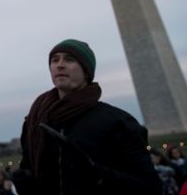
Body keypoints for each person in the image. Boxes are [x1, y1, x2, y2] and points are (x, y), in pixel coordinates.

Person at [14, 39, 161, 195]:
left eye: (69, 59)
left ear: (86, 71)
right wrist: (23, 180)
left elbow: (149, 187)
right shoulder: (35, 118)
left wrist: (97, 175)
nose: (60, 64)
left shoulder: (117, 121)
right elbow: (28, 166)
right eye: (54, 60)